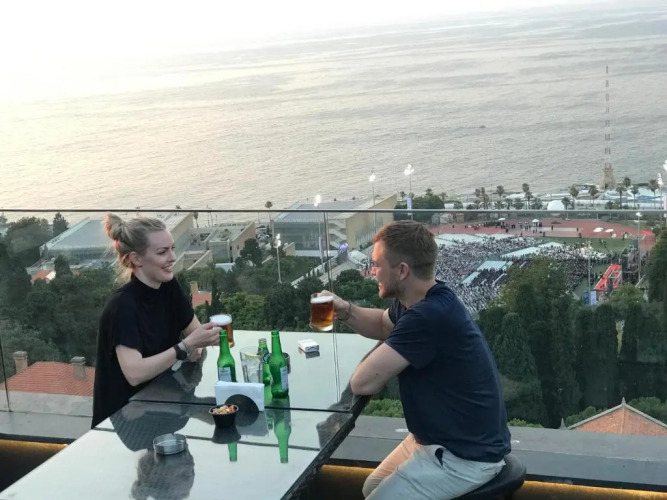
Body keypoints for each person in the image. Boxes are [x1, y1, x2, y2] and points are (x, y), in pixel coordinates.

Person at [320, 220, 510, 499]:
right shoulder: (423, 299)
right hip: (438, 438)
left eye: (377, 265)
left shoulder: (427, 317)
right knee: (370, 488)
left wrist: (383, 356)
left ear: (402, 271)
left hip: (464, 456)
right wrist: (346, 310)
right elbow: (383, 325)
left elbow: (362, 383)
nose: (372, 272)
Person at [92, 213, 220, 428]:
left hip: (165, 403)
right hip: (126, 420)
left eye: (172, 249)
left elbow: (196, 338)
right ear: (136, 258)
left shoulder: (168, 287)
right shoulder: (122, 306)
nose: (172, 257)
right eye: (162, 252)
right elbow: (135, 374)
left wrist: (194, 346)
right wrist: (186, 347)